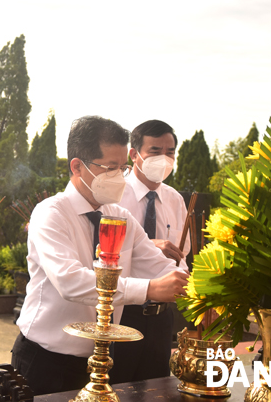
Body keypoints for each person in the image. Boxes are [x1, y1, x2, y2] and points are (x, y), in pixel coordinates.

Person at [11, 116, 189, 396]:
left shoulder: (120, 217)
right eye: (110, 168)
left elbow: (160, 266)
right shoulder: (52, 214)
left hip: (101, 362)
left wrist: (204, 289)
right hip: (47, 360)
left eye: (122, 168)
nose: (119, 176)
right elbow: (70, 281)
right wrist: (150, 289)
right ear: (77, 166)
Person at [110, 119, 190, 384]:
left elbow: (182, 259)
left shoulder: (175, 199)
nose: (163, 159)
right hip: (122, 312)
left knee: (156, 388)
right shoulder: (113, 195)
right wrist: (151, 243)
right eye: (155, 151)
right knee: (116, 387)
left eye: (170, 152)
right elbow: (99, 250)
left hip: (161, 318)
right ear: (134, 155)